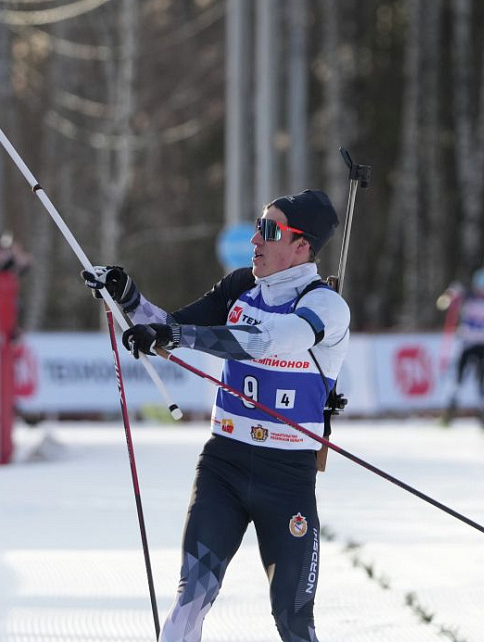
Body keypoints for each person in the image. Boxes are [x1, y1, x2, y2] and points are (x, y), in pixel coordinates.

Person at [84, 189, 349, 642]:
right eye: (257, 226)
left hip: (287, 478)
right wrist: (127, 299)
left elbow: (263, 341)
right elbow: (169, 327)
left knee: (293, 619)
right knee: (191, 598)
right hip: (224, 466)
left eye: (269, 230)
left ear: (302, 245)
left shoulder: (325, 305)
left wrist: (176, 334)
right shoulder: (240, 286)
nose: (255, 239)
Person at [440, 268, 484, 427]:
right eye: (481, 287)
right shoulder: (470, 298)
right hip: (468, 344)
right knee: (458, 378)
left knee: (481, 379)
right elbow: (447, 301)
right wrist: (452, 293)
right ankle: (450, 412)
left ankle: (483, 414)